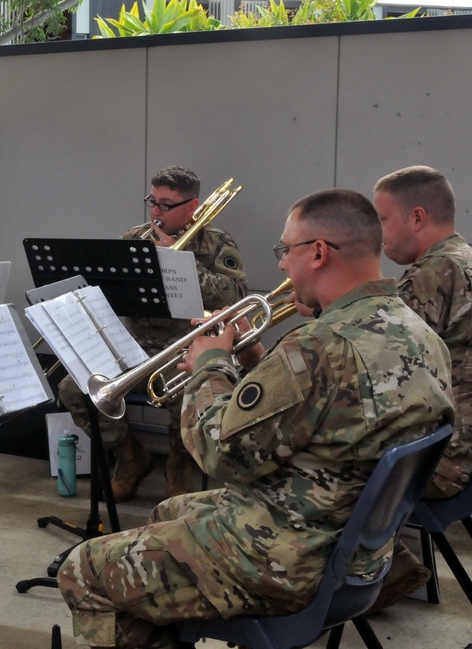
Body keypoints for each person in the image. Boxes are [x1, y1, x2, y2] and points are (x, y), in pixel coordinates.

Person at [57, 188, 455, 648]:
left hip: (285, 559)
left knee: (82, 570)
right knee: (168, 510)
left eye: (285, 250)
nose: (282, 264)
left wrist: (209, 364)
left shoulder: (318, 347)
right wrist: (255, 360)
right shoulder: (418, 333)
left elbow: (219, 456)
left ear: (319, 252)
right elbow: (313, 415)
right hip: (355, 549)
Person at [57, 166, 247, 501]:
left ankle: (178, 465)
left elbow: (236, 295)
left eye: (166, 204)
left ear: (193, 206)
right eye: (152, 201)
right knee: (73, 389)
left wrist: (180, 259)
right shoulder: (133, 239)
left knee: (191, 394)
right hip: (129, 349)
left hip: (182, 351)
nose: (156, 211)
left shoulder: (217, 242)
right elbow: (104, 293)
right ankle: (130, 456)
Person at [368, 165, 472, 608]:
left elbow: (381, 362)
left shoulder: (432, 273)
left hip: (447, 455)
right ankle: (389, 564)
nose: (376, 234)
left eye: (382, 220)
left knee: (316, 459)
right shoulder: (464, 258)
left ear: (416, 217)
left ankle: (377, 571)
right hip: (461, 441)